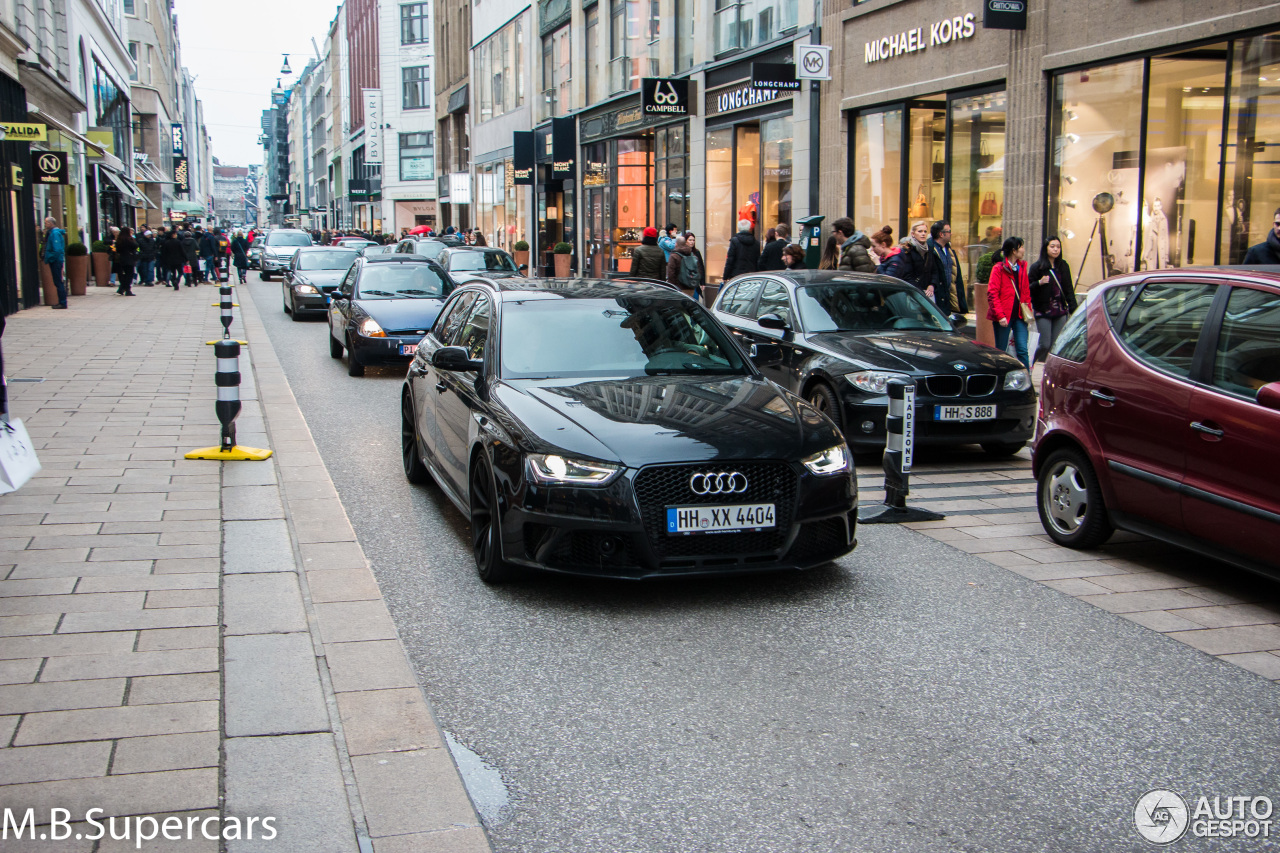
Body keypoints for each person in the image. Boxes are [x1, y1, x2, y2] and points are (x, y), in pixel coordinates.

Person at [1028, 235, 1078, 362]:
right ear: (1046, 248)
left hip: (1060, 310)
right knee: (1045, 344)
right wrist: (1039, 283)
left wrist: (1074, 308)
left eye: (1058, 247)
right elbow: (1027, 288)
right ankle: (1030, 362)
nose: (1056, 249)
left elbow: (1068, 289)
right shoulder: (1037, 267)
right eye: (1052, 246)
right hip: (1043, 310)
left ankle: (1049, 371)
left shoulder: (1063, 266)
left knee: (1056, 346)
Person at [986, 236, 1032, 370]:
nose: (1023, 250)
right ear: (1014, 251)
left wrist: (1027, 310)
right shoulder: (999, 268)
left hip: (1019, 315)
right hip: (1004, 316)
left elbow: (1026, 292)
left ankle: (1026, 379)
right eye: (1021, 247)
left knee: (1022, 349)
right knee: (1001, 350)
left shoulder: (1022, 267)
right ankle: (1000, 378)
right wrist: (1000, 316)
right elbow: (992, 293)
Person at [878, 220, 942, 300]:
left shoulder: (929, 250)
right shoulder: (907, 250)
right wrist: (919, 291)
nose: (923, 234)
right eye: (920, 231)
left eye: (925, 231)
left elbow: (934, 270)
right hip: (912, 293)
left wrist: (932, 285)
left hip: (928, 293)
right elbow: (907, 275)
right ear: (913, 234)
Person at [928, 221, 968, 316]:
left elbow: (954, 274)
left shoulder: (949, 250)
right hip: (936, 294)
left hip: (948, 295)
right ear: (941, 234)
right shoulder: (930, 249)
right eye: (949, 231)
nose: (951, 233)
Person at [667, 231, 705, 300]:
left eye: (693, 240)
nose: (692, 242)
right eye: (690, 240)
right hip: (691, 286)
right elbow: (699, 269)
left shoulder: (674, 256)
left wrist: (672, 287)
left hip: (679, 288)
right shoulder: (693, 255)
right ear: (685, 242)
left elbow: (671, 273)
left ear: (676, 244)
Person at [41, 217, 68, 309]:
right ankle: (61, 302)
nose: (45, 224)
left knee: (58, 282)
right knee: (57, 281)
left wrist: (50, 258)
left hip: (56, 261)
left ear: (51, 223)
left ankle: (62, 302)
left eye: (46, 222)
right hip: (56, 260)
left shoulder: (55, 234)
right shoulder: (52, 233)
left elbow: (57, 250)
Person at [114, 227, 138, 296]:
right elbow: (135, 245)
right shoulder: (129, 239)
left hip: (122, 258)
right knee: (129, 274)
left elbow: (117, 249)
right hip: (129, 258)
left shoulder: (119, 240)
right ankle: (127, 290)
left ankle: (121, 289)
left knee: (126, 274)